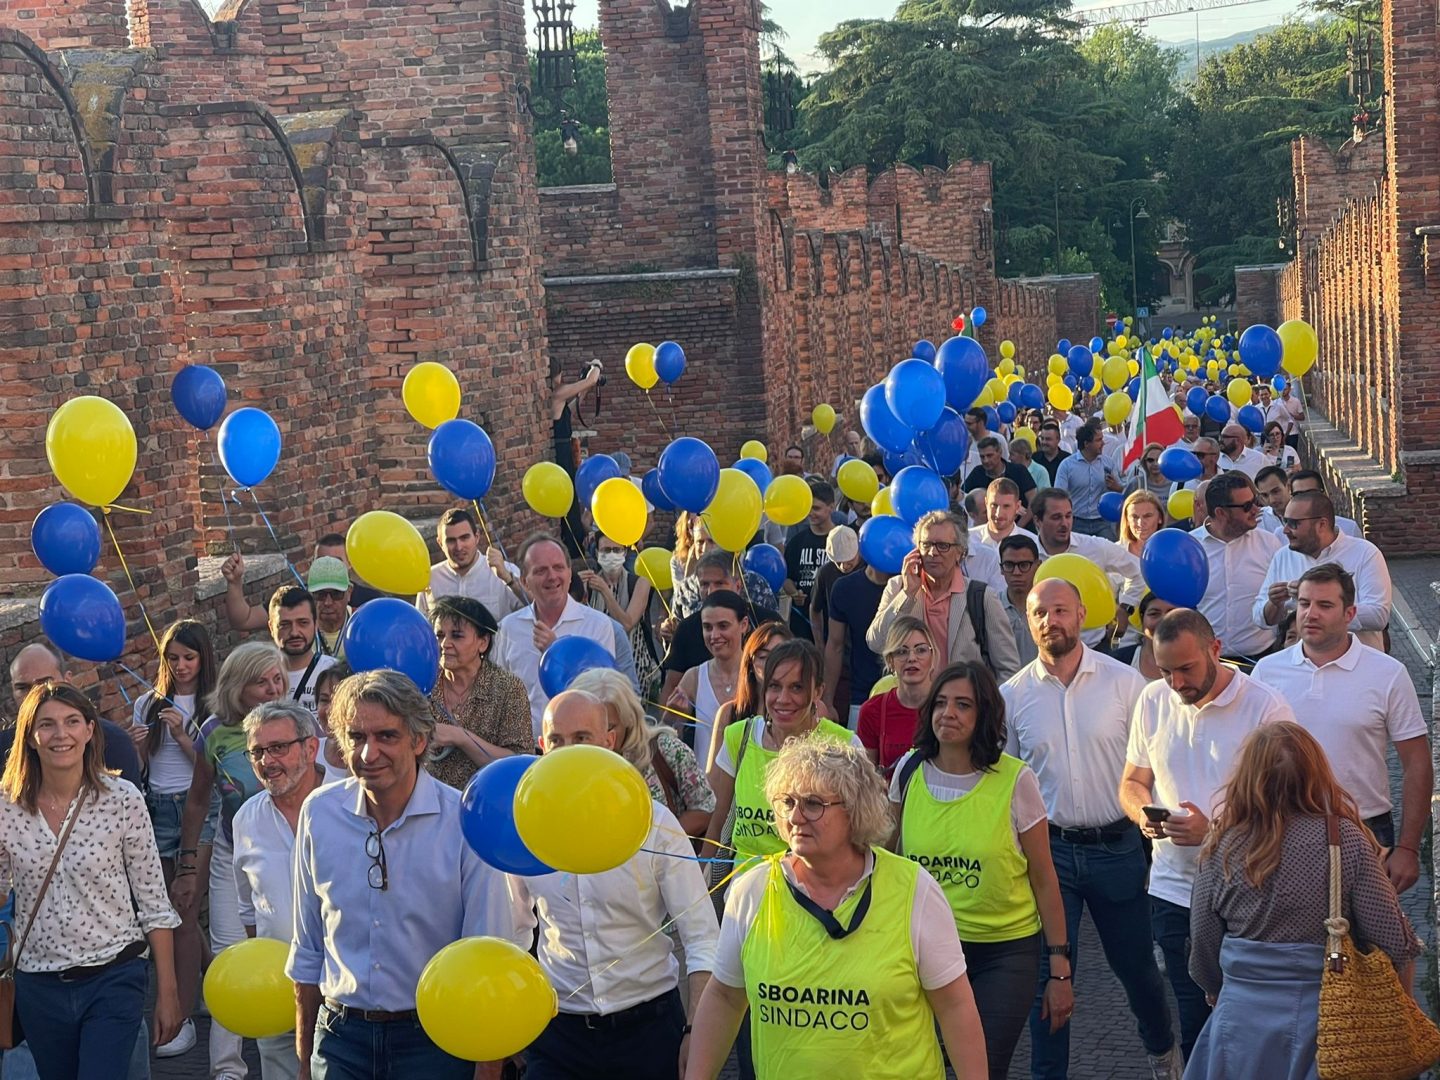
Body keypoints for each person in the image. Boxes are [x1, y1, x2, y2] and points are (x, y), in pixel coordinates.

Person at [684, 739, 988, 1080]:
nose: (796, 816)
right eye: (787, 802)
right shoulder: (752, 891)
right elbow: (725, 997)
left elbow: (954, 1005)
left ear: (856, 811)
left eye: (814, 804)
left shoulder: (914, 890)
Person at [287, 670, 526, 1079]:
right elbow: (308, 949)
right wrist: (306, 1062)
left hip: (435, 1042)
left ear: (419, 741)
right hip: (341, 1038)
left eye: (386, 736)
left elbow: (488, 956)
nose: (368, 753)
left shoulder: (463, 823)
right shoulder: (319, 814)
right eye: (357, 737)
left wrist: (487, 1069)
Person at [1002, 580, 1182, 1080]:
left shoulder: (1127, 685)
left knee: (1138, 972)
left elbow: (1151, 766)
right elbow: (1010, 785)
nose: (1050, 621)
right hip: (1051, 854)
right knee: (1051, 978)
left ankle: (1162, 1050)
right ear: (1027, 619)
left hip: (1117, 847)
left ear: (1082, 614)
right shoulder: (1013, 696)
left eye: (1061, 610)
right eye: (1040, 612)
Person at [1185, 723, 1421, 1078]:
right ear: (1317, 773)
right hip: (1326, 1023)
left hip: (1242, 1023)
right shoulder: (1346, 841)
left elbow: (1203, 944)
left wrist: (1217, 990)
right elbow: (1393, 940)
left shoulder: (1221, 849)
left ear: (1247, 778)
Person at [512, 690, 718, 1079]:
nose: (569, 751)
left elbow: (702, 937)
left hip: (649, 1031)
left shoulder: (653, 823)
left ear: (609, 741)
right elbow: (512, 935)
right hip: (559, 1035)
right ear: (541, 747)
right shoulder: (523, 830)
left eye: (582, 739)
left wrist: (695, 1031)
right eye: (557, 740)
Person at [1119, 609, 1295, 1062]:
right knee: (1196, 1022)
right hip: (1174, 892)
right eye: (1165, 671)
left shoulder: (1266, 707)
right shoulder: (1153, 700)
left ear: (1215, 649)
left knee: (1253, 1025)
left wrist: (1212, 832)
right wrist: (1143, 815)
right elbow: (1131, 782)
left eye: (1186, 669)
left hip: (1248, 893)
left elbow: (1289, 814)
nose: (1176, 683)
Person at [891, 661, 1071, 1080]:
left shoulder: (1016, 781)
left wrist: (1060, 970)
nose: (947, 713)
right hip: (921, 950)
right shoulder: (909, 771)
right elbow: (883, 860)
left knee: (981, 1069)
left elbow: (1045, 879)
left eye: (963, 705)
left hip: (1002, 954)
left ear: (984, 715)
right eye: (940, 703)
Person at [0, 684, 183, 1079]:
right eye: (46, 725)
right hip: (39, 984)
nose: (60, 734)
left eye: (71, 722)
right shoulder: (6, 807)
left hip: (113, 974)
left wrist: (167, 991)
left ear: (88, 730)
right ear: (30, 737)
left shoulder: (123, 800)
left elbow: (154, 902)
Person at [1251, 563, 1430, 892]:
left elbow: (1417, 763)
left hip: (1366, 829)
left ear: (1350, 614)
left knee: (1369, 941)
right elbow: (1248, 761)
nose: (1311, 614)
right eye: (1304, 604)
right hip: (1285, 828)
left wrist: (1407, 848)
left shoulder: (1387, 673)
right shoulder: (1266, 671)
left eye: (1325, 605)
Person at [173, 641, 290, 1077]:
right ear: (238, 687)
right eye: (261, 681)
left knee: (287, 943)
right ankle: (227, 1067)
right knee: (228, 954)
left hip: (288, 846)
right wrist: (188, 866)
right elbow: (198, 802)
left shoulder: (296, 724)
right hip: (231, 850)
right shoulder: (214, 732)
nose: (273, 688)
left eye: (277, 678)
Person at [129, 619, 219, 1061]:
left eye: (189, 657)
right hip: (157, 806)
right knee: (169, 907)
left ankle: (180, 1016)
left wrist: (185, 736)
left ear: (203, 659)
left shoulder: (213, 704)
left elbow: (209, 768)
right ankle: (210, 980)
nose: (181, 666)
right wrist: (140, 747)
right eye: (173, 658)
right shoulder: (148, 702)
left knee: (182, 906)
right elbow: (141, 769)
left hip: (196, 806)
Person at [702, 640, 861, 874]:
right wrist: (700, 883)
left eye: (797, 687)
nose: (783, 699)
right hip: (744, 894)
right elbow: (719, 820)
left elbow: (859, 833)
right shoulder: (740, 737)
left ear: (818, 691)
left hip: (811, 892)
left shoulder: (843, 745)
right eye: (774, 686)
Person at [232, 702, 327, 1080]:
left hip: (345, 992)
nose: (267, 761)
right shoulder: (245, 820)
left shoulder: (351, 804)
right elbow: (248, 911)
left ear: (310, 748)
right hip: (277, 993)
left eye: (278, 748)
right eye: (257, 751)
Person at [494, 533, 638, 739]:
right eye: (541, 570)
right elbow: (501, 695)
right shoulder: (509, 627)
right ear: (525, 581)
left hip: (580, 748)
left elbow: (605, 696)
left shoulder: (598, 625)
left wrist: (558, 653)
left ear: (570, 575)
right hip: (526, 748)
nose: (552, 577)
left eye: (558, 568)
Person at [866, 510, 1021, 680]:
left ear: (960, 553)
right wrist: (908, 594)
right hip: (913, 701)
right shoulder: (898, 587)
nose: (933, 553)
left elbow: (1009, 669)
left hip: (962, 703)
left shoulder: (981, 597)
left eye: (942, 546)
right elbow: (876, 643)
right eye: (926, 545)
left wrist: (987, 704)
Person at [572, 668, 716, 839]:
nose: (603, 738)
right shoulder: (570, 759)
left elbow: (706, 809)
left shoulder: (665, 749)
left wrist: (658, 840)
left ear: (628, 719)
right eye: (585, 732)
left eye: (609, 727)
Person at [1254, 490, 1390, 650]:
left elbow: (1378, 615)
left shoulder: (1365, 553)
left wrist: (1319, 603)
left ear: (1321, 525)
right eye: (1285, 521)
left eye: (1293, 523)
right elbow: (1260, 618)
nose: (1285, 530)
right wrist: (1274, 603)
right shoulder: (1283, 556)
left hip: (1356, 666)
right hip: (1300, 667)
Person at [428, 595, 534, 787]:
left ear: (483, 642)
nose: (445, 644)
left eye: (457, 635)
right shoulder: (423, 683)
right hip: (429, 805)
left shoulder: (507, 688)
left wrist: (461, 737)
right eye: (440, 635)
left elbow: (521, 763)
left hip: (486, 803)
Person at [4, 643, 143, 789]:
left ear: (67, 680)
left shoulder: (114, 743)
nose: (34, 695)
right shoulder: (4, 748)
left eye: (44, 683)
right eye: (22, 688)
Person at [660, 551, 781, 706]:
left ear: (738, 585)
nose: (711, 591)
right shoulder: (687, 629)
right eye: (704, 584)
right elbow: (671, 688)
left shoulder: (767, 623)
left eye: (719, 583)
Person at [1030, 488, 1145, 647]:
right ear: (1037, 520)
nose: (1064, 523)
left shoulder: (1095, 547)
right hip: (1044, 648)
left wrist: (1126, 607)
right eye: (1056, 517)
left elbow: (1138, 571)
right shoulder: (1027, 555)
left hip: (1094, 646)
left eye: (1068, 516)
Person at [1190, 473, 1284, 663]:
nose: (1256, 509)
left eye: (1255, 501)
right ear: (1220, 513)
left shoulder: (1269, 543)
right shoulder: (1190, 547)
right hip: (1206, 660)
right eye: (1247, 506)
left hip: (1262, 657)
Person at [703, 622, 792, 773]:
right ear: (750, 664)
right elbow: (714, 790)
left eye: (781, 656)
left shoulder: (813, 709)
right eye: (763, 657)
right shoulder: (729, 713)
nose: (772, 663)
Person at [671, 591, 750, 760]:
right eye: (707, 627)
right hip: (706, 784)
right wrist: (672, 716)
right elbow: (668, 741)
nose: (714, 636)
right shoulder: (694, 677)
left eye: (723, 626)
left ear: (743, 625)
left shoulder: (758, 676)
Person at [580, 531, 659, 698]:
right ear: (597, 553)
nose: (611, 555)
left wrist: (605, 591)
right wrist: (573, 587)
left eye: (616, 550)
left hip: (635, 662)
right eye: (605, 550)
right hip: (598, 664)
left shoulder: (639, 583)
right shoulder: (589, 584)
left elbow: (627, 624)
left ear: (625, 552)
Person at [858, 617, 941, 776]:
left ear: (933, 656)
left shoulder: (947, 706)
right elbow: (867, 780)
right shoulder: (872, 710)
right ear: (890, 661)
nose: (912, 658)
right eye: (902, 651)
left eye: (921, 650)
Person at [415, 507, 526, 621]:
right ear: (440, 543)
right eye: (451, 540)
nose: (459, 547)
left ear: (477, 537)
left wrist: (508, 579)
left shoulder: (504, 571)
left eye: (464, 538)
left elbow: (535, 610)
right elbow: (420, 627)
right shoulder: (430, 578)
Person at [823, 552, 892, 727]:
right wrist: (827, 701)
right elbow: (835, 645)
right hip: (861, 696)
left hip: (908, 695)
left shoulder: (911, 586)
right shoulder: (845, 588)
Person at [268, 585, 337, 714]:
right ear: (271, 628)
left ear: (316, 624)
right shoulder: (260, 676)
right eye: (285, 625)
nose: (294, 632)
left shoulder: (334, 671)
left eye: (303, 623)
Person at [783, 479, 838, 639]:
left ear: (831, 507)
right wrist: (794, 593)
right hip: (802, 622)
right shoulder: (797, 541)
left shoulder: (842, 539)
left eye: (816, 508)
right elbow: (787, 578)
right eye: (809, 508)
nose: (811, 513)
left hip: (833, 621)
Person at [1054, 423, 1123, 539]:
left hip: (1102, 522)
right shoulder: (1067, 465)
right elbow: (1059, 494)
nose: (1103, 443)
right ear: (1086, 444)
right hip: (1076, 521)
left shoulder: (1108, 463)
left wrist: (1117, 487)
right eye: (1098, 440)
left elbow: (1122, 489)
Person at [809, 525, 860, 658]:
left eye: (849, 561)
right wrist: (819, 643)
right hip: (836, 643)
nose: (844, 566)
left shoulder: (870, 569)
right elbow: (815, 609)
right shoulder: (825, 572)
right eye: (839, 562)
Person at [997, 535, 1041, 668]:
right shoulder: (990, 607)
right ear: (1001, 569)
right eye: (1009, 565)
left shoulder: (1050, 608)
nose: (1016, 572)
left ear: (1038, 566)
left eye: (1024, 565)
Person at [962, 437, 1037, 508]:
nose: (986, 460)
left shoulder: (1019, 471)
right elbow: (963, 496)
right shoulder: (977, 473)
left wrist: (1021, 521)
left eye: (990, 455)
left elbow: (1033, 501)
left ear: (1000, 452)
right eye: (982, 457)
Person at [311, 663, 353, 783]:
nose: (330, 710)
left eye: (340, 701)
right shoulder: (307, 754)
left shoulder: (374, 763)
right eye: (324, 700)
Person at [1288, 470, 1362, 537]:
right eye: (1298, 495)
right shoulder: (1283, 534)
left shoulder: (1349, 529)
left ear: (1323, 494)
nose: (1305, 500)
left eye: (1311, 493)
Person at [970, 478, 1037, 550]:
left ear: (1017, 506)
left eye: (1006, 506)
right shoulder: (968, 540)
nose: (998, 513)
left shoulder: (1032, 543)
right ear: (986, 503)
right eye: (994, 505)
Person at [1129, 592, 1178, 680]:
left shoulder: (1200, 664)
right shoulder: (1120, 660)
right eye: (1154, 614)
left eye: (1172, 614)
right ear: (1142, 618)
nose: (1163, 620)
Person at [1264, 379, 1305, 449]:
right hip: (1279, 434)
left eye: (1285, 389)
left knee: (1292, 452)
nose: (1283, 391)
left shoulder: (1296, 401)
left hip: (1293, 432)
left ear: (1289, 389)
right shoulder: (1276, 402)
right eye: (1281, 389)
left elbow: (1302, 417)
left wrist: (1293, 416)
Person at [1251, 465, 1289, 535]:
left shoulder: (1307, 513)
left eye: (1276, 491)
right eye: (1265, 495)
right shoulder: (1259, 519)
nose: (1272, 500)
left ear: (1288, 487)